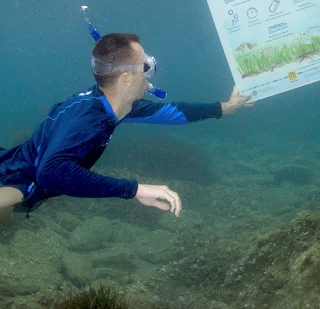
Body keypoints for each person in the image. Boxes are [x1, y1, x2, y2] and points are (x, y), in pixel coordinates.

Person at [0, 33, 253, 223]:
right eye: (147, 67)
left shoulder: (114, 105)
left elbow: (172, 112)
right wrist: (134, 190)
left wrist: (226, 107)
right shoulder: (89, 120)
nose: (151, 74)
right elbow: (49, 173)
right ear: (127, 78)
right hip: (15, 181)